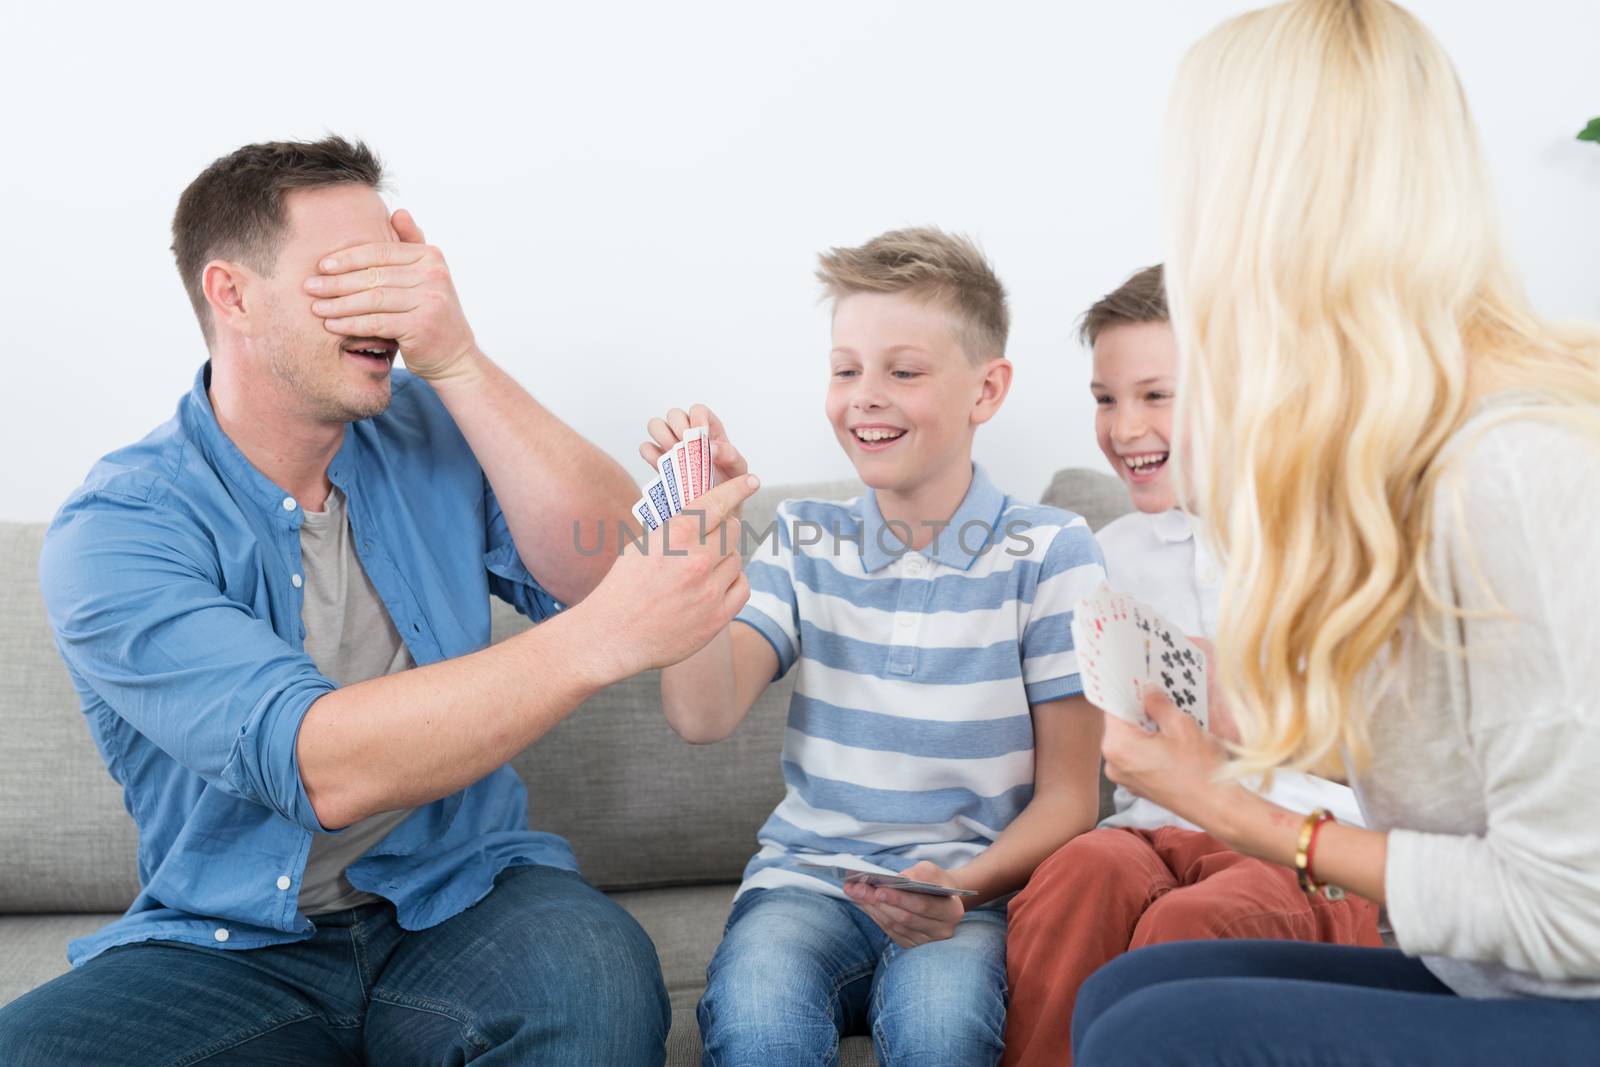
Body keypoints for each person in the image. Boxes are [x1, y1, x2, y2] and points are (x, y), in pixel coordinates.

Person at [0, 136, 760, 1065]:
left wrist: (463, 363)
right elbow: (322, 765)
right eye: (345, 278)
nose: (389, 308)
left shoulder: (432, 422)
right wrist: (596, 643)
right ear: (232, 294)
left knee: (596, 981)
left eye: (397, 271)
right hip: (232, 943)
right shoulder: (117, 530)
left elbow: (616, 565)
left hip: (470, 896)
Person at [1071, 2, 1600, 1064]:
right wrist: (1250, 739)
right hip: (1505, 974)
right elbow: (1480, 761)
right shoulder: (1404, 446)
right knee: (1132, 988)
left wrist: (1243, 811)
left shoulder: (1514, 466)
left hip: (1570, 974)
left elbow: (1572, 909)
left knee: (1164, 1035)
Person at [644, 227, 1107, 1065]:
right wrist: (696, 539)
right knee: (755, 1022)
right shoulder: (800, 538)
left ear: (987, 389)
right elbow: (701, 714)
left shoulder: (1051, 552)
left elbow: (1072, 800)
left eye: (904, 370)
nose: (865, 396)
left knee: (944, 1031)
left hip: (968, 895)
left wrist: (961, 886)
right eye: (846, 368)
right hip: (805, 883)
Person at [1001, 264, 1382, 1067]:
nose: (1124, 426)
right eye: (1106, 398)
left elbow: (1407, 764)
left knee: (1191, 927)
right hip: (1151, 828)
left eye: (1156, 394)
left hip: (1298, 846)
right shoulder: (1105, 556)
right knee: (1078, 875)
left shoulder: (1340, 545)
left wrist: (1253, 713)